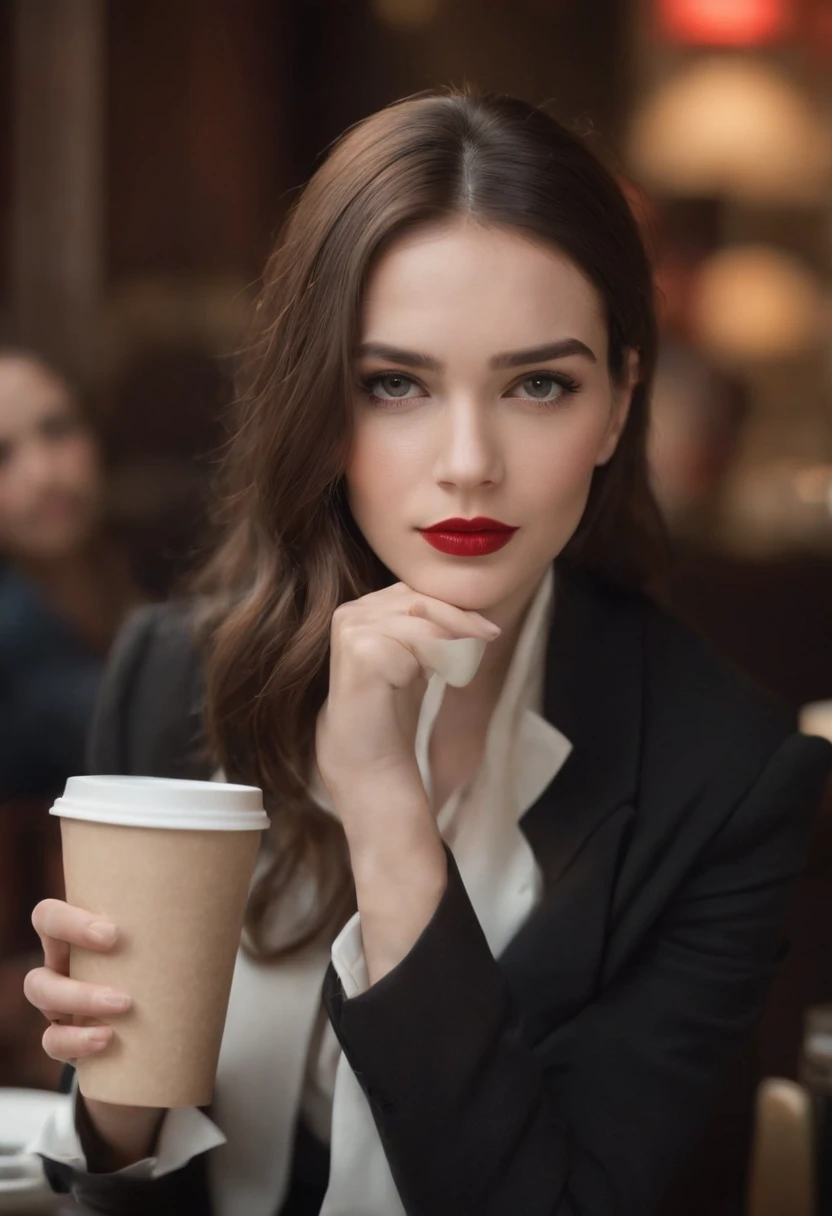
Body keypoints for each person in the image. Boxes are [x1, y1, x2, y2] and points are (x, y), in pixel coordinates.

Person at [24, 90, 832, 1216]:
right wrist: (113, 1102)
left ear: (616, 406)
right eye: (393, 384)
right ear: (319, 401)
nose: (467, 462)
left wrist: (386, 806)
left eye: (538, 384)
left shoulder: (726, 778)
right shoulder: (170, 676)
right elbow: (120, 1187)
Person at [0, 350, 138, 799]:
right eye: (1, 455)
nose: (44, 474)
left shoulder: (137, 577)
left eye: (57, 430)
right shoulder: (14, 634)